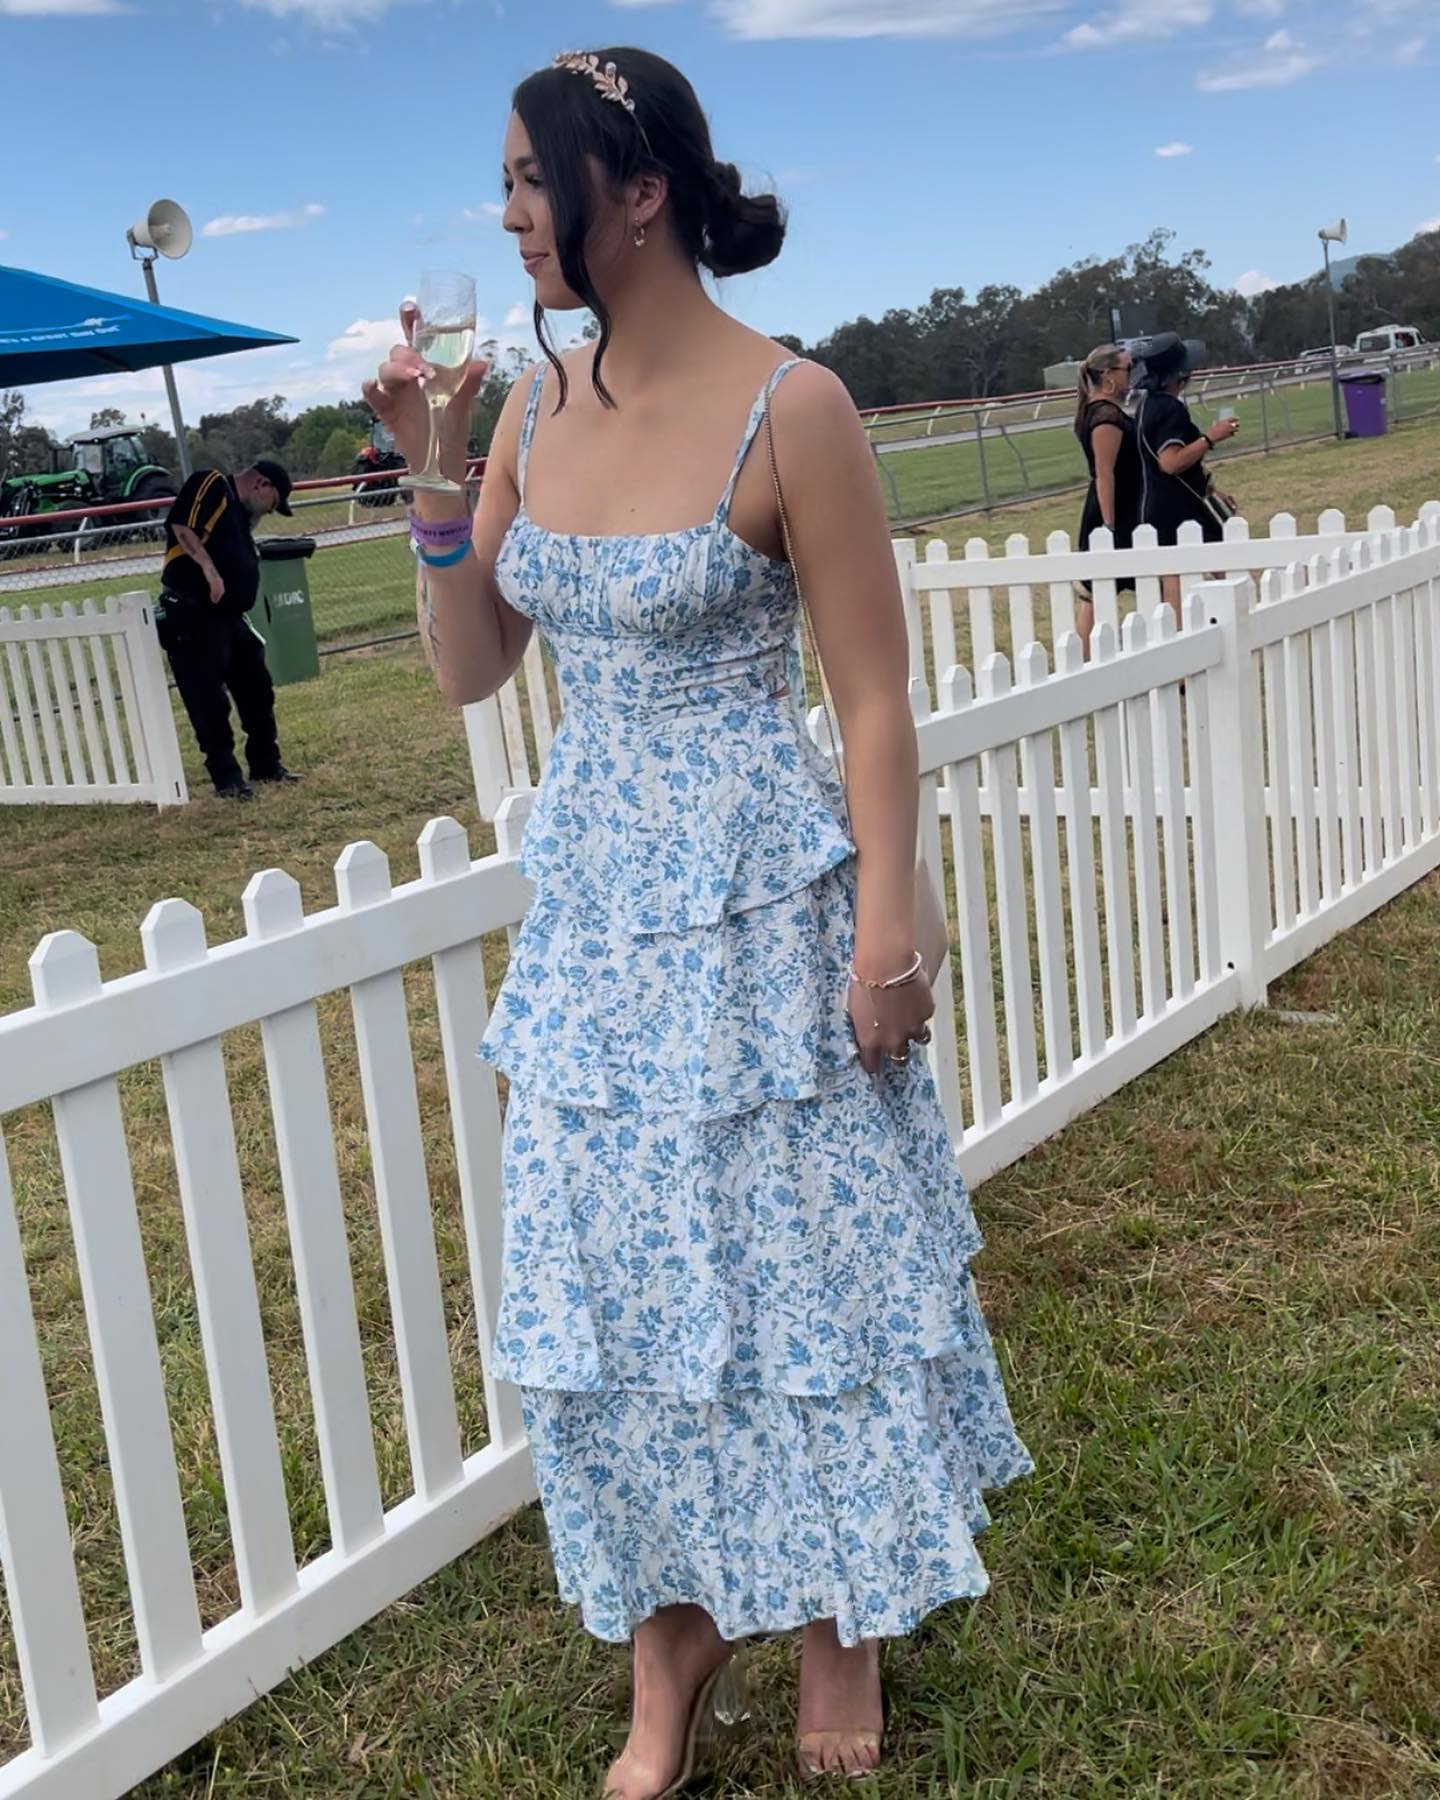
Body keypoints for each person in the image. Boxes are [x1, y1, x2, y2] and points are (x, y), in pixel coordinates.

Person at [366, 46, 1029, 1799]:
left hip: (765, 897)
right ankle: (669, 1666)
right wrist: (436, 483)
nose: (509, 217)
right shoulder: (529, 406)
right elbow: (472, 667)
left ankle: (840, 1618)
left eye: (531, 180)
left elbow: (873, 700)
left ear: (637, 188)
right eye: (503, 184)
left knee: (807, 1260)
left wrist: (892, 929)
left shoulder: (789, 404)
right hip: (597, 910)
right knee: (623, 1284)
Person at [157, 459, 303, 799]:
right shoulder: (210, 484)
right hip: (194, 612)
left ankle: (266, 764)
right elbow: (180, 525)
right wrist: (210, 572)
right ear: (261, 484)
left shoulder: (238, 514)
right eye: (273, 504)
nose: (268, 513)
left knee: (257, 690)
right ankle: (227, 778)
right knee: (209, 700)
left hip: (230, 617)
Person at [1133, 335, 1240, 620]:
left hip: (1158, 507)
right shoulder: (1170, 409)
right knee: (1222, 573)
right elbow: (1170, 463)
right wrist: (1210, 437)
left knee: (1174, 580)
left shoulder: (1146, 405)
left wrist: (1209, 491)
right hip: (1179, 511)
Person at [1073, 343, 1140, 652]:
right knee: (1096, 593)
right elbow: (1105, 473)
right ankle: (1085, 659)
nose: (1132, 376)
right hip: (1112, 512)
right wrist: (1110, 525)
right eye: (1127, 369)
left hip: (1116, 508)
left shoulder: (1099, 410)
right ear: (1108, 375)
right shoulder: (1106, 418)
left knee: (1099, 591)